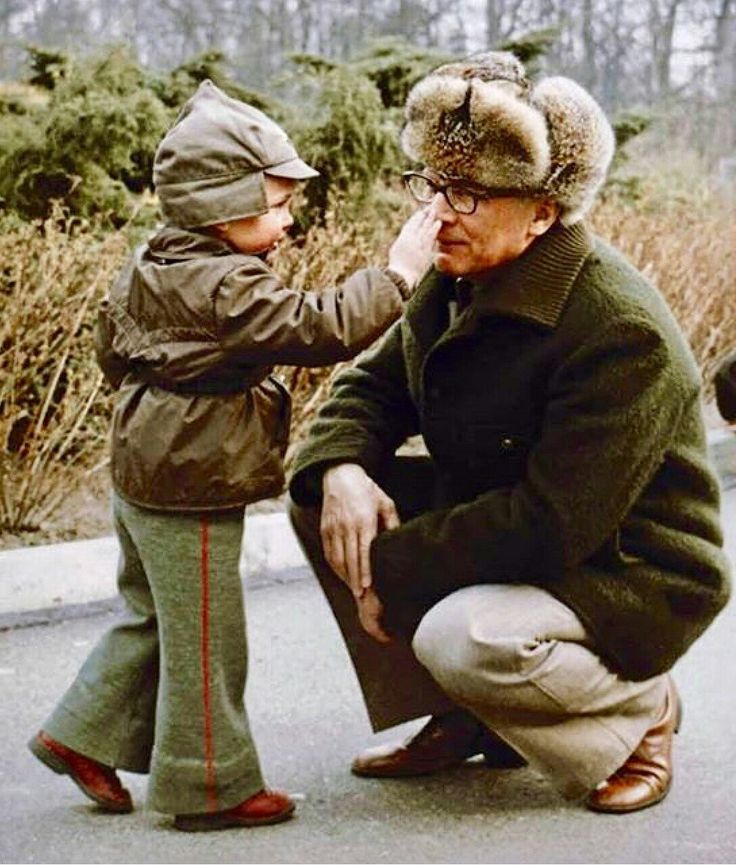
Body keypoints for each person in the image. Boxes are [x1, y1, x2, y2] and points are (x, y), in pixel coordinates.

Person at [288, 52, 731, 814]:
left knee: (466, 638)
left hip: (627, 566)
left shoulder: (618, 329)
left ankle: (640, 710)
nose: (439, 212)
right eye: (432, 184)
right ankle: (466, 714)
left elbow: (550, 524)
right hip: (528, 531)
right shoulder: (456, 276)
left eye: (467, 193)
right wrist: (340, 471)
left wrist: (390, 569)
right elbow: (371, 386)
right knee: (324, 503)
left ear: (543, 214)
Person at [28, 79, 439, 832]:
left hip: (141, 465)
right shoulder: (226, 283)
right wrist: (400, 274)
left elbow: (111, 350)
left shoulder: (154, 258)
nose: (288, 221)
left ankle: (80, 733)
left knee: (154, 616)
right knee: (208, 639)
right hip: (190, 482)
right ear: (222, 206)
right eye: (275, 205)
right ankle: (209, 785)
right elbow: (320, 327)